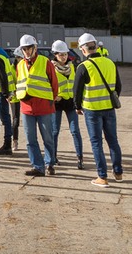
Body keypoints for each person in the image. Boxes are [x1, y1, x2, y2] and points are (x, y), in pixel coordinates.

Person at [74, 32, 124, 187]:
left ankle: (102, 177)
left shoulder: (83, 67)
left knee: (97, 143)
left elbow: (77, 91)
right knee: (113, 140)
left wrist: (77, 107)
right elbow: (118, 87)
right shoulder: (110, 63)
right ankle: (118, 171)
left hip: (92, 110)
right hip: (109, 109)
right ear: (95, 46)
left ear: (83, 50)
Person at [16, 34, 58, 177]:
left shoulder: (45, 62)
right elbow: (19, 83)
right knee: (30, 140)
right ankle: (38, 166)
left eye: (29, 48)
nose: (27, 51)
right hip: (27, 108)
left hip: (44, 107)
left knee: (47, 138)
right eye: (24, 49)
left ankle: (50, 163)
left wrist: (51, 101)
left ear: (35, 48)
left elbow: (54, 84)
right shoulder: (20, 65)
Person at [50, 40, 84, 170]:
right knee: (54, 131)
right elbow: (47, 84)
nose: (63, 57)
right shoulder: (51, 68)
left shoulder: (73, 66)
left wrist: (78, 101)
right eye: (60, 55)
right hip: (57, 103)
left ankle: (80, 158)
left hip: (71, 103)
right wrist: (54, 96)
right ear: (55, 55)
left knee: (75, 131)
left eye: (65, 54)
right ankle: (53, 157)